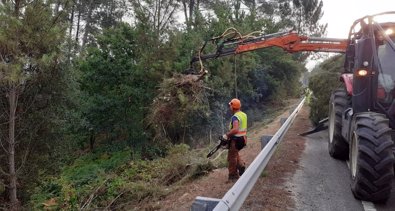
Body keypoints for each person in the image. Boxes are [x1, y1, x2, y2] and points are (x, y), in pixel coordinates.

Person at [223, 98, 247, 181]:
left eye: (230, 105)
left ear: (233, 107)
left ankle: (233, 176)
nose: (229, 107)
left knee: (231, 158)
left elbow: (236, 129)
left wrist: (227, 135)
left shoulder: (235, 117)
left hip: (236, 140)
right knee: (235, 154)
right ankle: (241, 166)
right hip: (243, 139)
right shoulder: (243, 114)